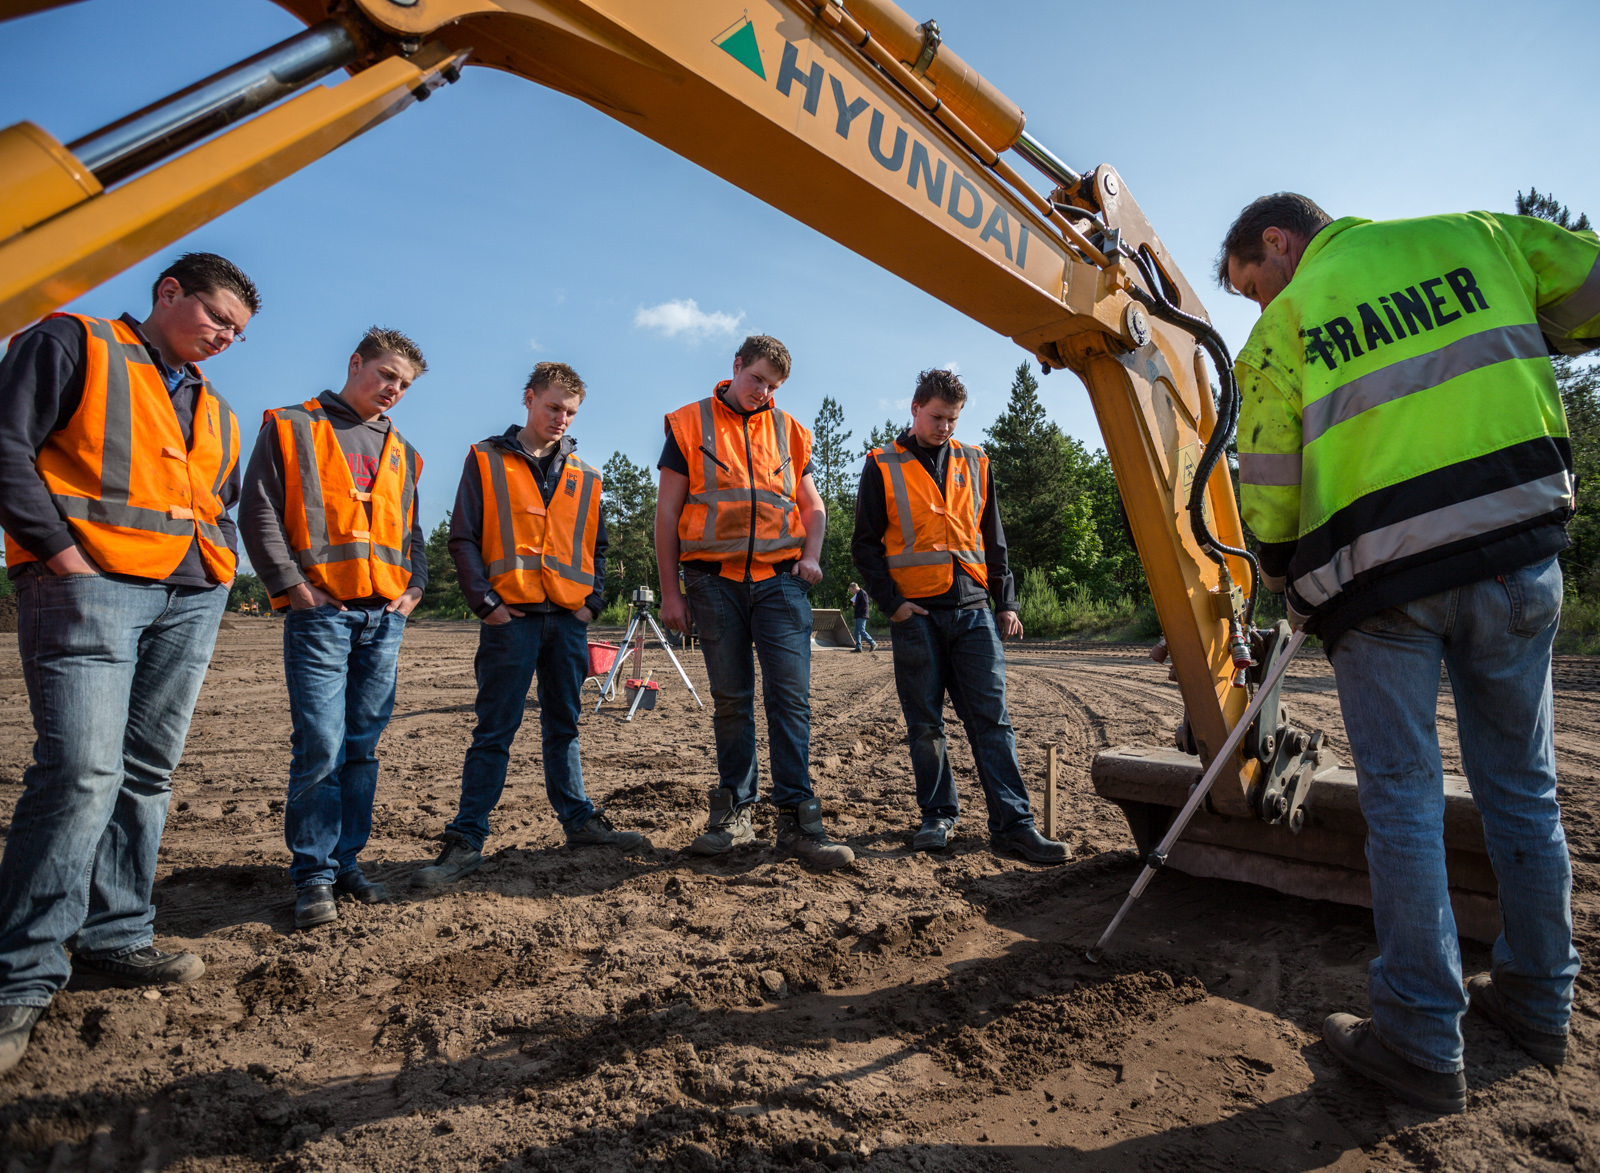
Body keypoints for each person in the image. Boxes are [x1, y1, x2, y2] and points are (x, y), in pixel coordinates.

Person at [1221, 192, 1598, 1112]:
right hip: (1517, 556)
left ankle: (1425, 1040)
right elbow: (1589, 295)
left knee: (1402, 802)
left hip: (1382, 591)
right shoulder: (1477, 237)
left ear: (1280, 243)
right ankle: (1541, 1004)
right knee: (1523, 785)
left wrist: (1277, 570)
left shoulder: (1285, 330)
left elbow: (1267, 492)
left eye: (1250, 285)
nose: (1255, 306)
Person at [0, 252, 257, 1074]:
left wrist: (217, 565)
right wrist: (61, 557)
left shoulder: (214, 405)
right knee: (79, 770)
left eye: (238, 332)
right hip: (89, 586)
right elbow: (5, 444)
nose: (224, 338)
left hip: (189, 596)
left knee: (146, 769)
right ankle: (21, 973)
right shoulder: (73, 343)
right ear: (168, 292)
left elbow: (217, 499)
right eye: (217, 318)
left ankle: (115, 934)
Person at [414, 362, 642, 887]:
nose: (561, 418)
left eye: (570, 412)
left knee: (564, 726)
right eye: (553, 407)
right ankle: (466, 838)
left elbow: (598, 549)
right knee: (494, 730)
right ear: (529, 399)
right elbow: (463, 538)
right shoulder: (485, 459)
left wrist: (593, 604)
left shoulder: (585, 474)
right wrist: (485, 603)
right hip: (509, 619)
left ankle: (578, 820)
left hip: (566, 621)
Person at [239, 327, 428, 930]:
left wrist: (412, 592)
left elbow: (412, 533)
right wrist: (293, 588)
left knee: (362, 749)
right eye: (386, 375)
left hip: (383, 618)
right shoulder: (292, 426)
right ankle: (313, 875)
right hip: (321, 617)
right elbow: (259, 509)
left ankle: (347, 861)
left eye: (404, 384)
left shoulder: (403, 450)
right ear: (355, 363)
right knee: (320, 745)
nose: (394, 390)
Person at [852, 368, 1069, 864]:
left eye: (952, 419)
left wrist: (1006, 601)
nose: (944, 427)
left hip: (972, 610)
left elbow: (994, 539)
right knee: (925, 725)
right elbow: (863, 546)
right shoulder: (881, 463)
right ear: (914, 408)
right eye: (936, 417)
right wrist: (893, 605)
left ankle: (1014, 826)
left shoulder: (976, 462)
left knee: (993, 722)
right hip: (916, 615)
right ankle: (938, 817)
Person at [655, 335, 852, 869]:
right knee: (732, 700)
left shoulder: (791, 431)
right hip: (712, 583)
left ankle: (798, 823)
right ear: (736, 366)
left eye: (773, 386)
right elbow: (666, 516)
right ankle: (735, 814)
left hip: (781, 583)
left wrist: (811, 558)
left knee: (790, 699)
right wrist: (671, 591)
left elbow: (813, 508)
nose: (762, 392)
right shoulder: (686, 424)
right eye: (757, 379)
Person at [846, 581, 877, 652]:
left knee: (861, 631)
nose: (852, 592)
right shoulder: (858, 594)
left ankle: (872, 643)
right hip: (859, 615)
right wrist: (855, 605)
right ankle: (858, 647)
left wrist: (857, 608)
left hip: (862, 615)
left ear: (855, 588)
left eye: (852, 591)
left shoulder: (863, 593)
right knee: (857, 632)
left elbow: (865, 604)